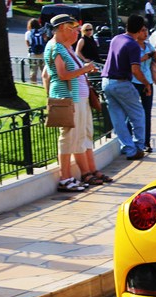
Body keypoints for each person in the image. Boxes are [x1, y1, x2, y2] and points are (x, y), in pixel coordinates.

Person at [43, 14, 111, 192]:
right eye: (73, 29)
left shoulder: (65, 48)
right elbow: (62, 75)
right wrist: (86, 69)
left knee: (81, 136)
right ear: (63, 28)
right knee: (68, 138)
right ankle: (64, 177)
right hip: (68, 98)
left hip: (78, 98)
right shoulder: (55, 47)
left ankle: (85, 172)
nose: (76, 33)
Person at [101, 14, 151, 161]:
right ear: (140, 28)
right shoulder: (133, 45)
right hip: (122, 83)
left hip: (106, 82)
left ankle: (128, 149)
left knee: (117, 119)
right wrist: (146, 83)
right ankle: (138, 147)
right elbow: (135, 69)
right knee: (138, 114)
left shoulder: (117, 39)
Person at [131, 26, 156, 152]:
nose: (145, 33)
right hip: (135, 81)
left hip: (148, 81)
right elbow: (131, 63)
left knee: (147, 113)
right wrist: (144, 57)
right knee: (132, 112)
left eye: (146, 31)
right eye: (142, 31)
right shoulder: (133, 46)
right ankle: (132, 141)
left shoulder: (148, 46)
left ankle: (146, 141)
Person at [25, 18, 46, 84]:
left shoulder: (28, 33)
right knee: (43, 70)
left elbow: (28, 44)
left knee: (33, 70)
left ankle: (34, 83)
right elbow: (45, 41)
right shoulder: (41, 32)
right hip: (42, 54)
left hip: (33, 54)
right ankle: (45, 84)